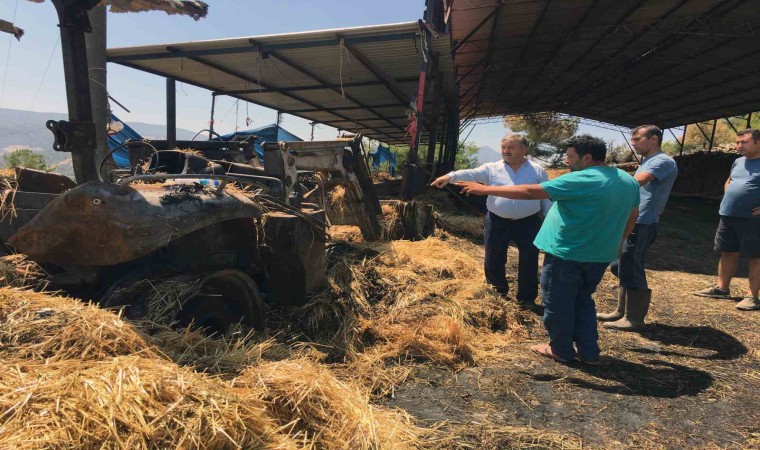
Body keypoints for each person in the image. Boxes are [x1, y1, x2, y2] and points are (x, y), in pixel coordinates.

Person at [456, 135, 639, 364]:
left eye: (570, 157)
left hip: (567, 253)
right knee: (583, 299)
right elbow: (633, 216)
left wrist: (485, 190)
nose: (566, 161)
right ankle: (589, 352)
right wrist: (615, 241)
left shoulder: (581, 179)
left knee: (557, 302)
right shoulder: (628, 180)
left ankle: (561, 349)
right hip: (599, 254)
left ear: (588, 157)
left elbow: (531, 192)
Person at [431, 134, 552, 310]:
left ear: (523, 149)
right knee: (494, 258)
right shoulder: (492, 168)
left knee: (529, 259)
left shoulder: (538, 170)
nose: (505, 151)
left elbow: (545, 197)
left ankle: (526, 299)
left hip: (528, 222)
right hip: (497, 220)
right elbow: (471, 173)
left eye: (510, 147)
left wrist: (549, 219)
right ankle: (498, 293)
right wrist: (450, 176)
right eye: (503, 147)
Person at [598, 125, 678, 331]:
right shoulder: (647, 161)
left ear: (653, 139)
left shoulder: (662, 161)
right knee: (619, 265)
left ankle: (634, 318)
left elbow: (635, 184)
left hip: (643, 222)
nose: (633, 143)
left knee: (632, 266)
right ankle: (620, 310)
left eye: (637, 139)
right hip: (632, 220)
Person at [695, 128, 760, 311]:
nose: (739, 146)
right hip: (728, 216)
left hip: (753, 220)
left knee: (756, 257)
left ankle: (753, 297)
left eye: (744, 142)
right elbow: (729, 181)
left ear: (758, 142)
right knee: (727, 252)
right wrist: (730, 197)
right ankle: (722, 288)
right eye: (738, 142)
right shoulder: (738, 161)